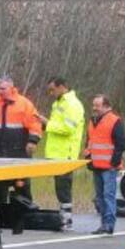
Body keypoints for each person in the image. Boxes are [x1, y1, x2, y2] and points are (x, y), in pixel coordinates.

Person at [44, 76, 84, 229]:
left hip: (66, 153)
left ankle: (67, 219)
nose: (51, 93)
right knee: (59, 187)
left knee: (64, 187)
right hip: (57, 153)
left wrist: (47, 124)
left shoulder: (72, 104)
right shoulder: (58, 103)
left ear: (62, 87)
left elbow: (68, 129)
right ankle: (64, 216)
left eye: (53, 89)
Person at [84, 94, 125, 235]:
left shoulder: (114, 121)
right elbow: (89, 142)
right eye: (94, 105)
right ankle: (103, 224)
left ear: (106, 106)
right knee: (100, 197)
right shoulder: (92, 121)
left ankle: (109, 224)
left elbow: (121, 144)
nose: (94, 108)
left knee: (108, 196)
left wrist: (114, 163)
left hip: (109, 167)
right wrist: (89, 159)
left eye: (98, 105)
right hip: (96, 166)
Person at [0, 75, 43, 158]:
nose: (0, 91)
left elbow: (35, 123)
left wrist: (33, 141)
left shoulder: (24, 103)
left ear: (11, 88)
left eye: (3, 89)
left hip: (19, 149)